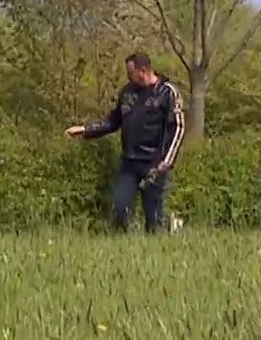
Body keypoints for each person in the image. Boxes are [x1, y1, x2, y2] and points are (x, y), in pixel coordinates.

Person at [65, 52, 186, 233]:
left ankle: (163, 241)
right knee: (119, 208)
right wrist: (86, 130)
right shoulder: (128, 92)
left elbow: (178, 128)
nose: (128, 77)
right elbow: (113, 122)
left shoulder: (167, 92)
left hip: (154, 164)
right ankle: (123, 248)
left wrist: (166, 162)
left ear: (142, 71)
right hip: (129, 162)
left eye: (130, 73)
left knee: (153, 219)